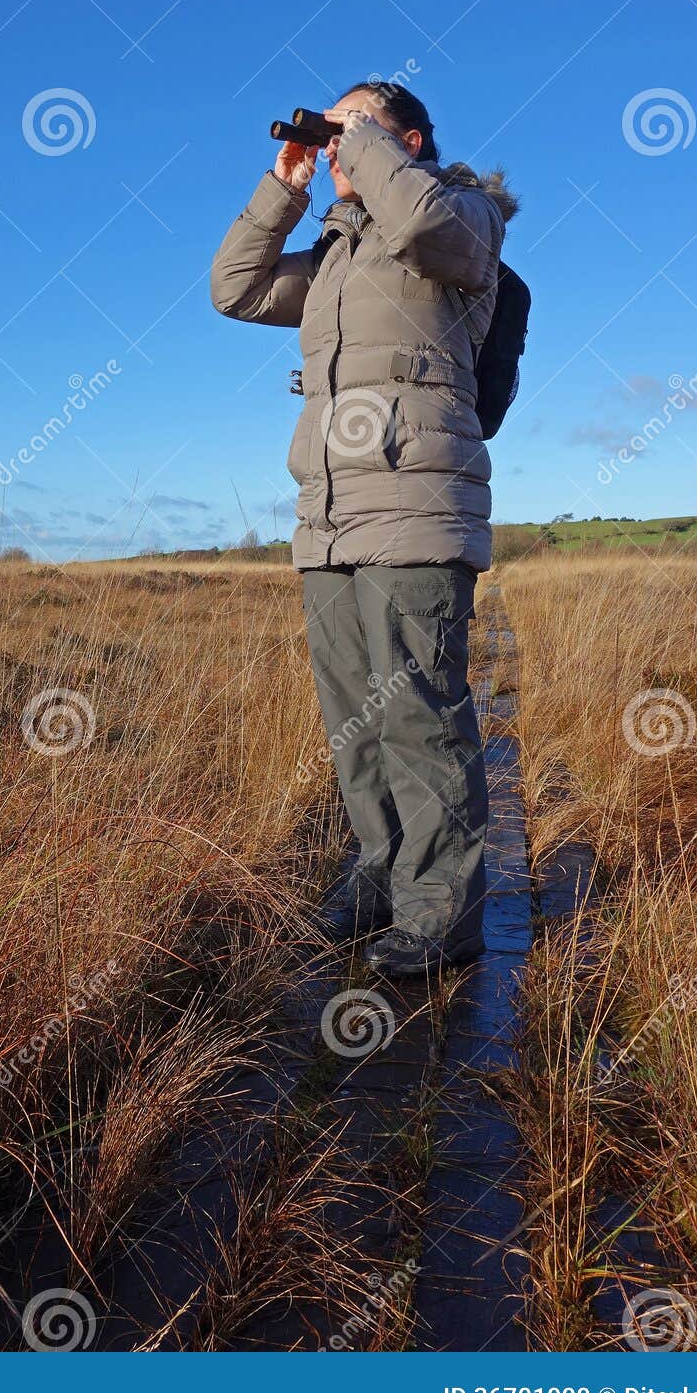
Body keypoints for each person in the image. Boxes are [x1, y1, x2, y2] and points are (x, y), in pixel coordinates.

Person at [210, 82, 519, 977]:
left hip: (418, 509)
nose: (340, 143)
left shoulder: (461, 220)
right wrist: (288, 184)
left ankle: (442, 914)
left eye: (358, 127)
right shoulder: (335, 256)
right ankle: (381, 878)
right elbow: (233, 291)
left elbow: (422, 222)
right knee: (354, 723)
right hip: (329, 517)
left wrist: (365, 146)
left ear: (410, 140)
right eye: (334, 129)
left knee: (421, 717)